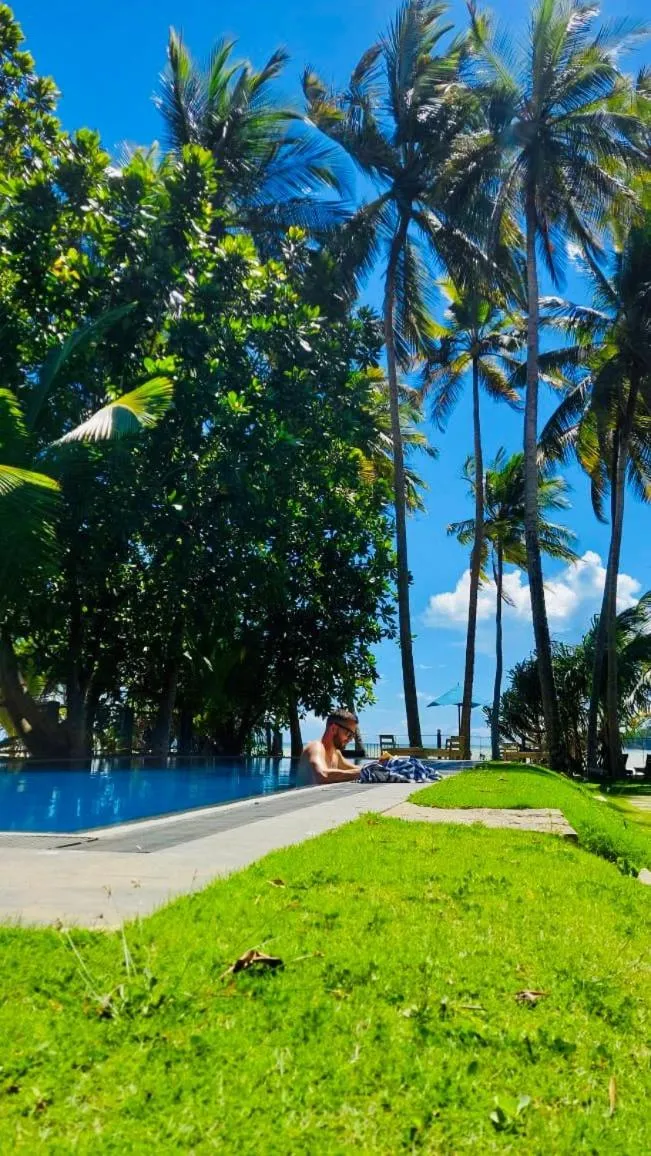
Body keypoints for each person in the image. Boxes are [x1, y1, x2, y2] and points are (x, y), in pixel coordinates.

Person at [298, 710, 361, 784]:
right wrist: (363, 773)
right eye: (349, 734)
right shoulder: (315, 747)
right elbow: (322, 775)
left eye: (352, 736)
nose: (350, 740)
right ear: (334, 729)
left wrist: (375, 767)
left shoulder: (336, 754)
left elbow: (355, 769)